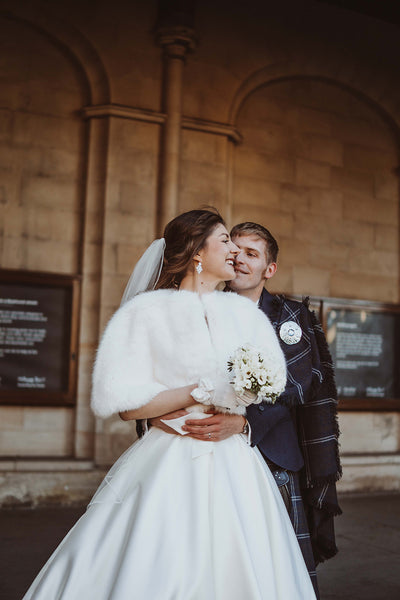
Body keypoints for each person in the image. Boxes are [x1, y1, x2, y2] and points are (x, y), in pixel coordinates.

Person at [23, 210, 316, 600]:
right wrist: (199, 391)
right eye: (226, 240)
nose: (234, 251)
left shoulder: (244, 314)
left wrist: (241, 406)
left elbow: (272, 385)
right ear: (197, 252)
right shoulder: (147, 314)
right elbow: (127, 405)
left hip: (235, 464)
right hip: (171, 459)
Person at [146, 222, 342, 600]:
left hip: (273, 458)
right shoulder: (200, 304)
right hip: (201, 457)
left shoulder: (288, 316)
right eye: (233, 249)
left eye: (252, 254)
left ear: (269, 269)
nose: (238, 258)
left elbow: (297, 383)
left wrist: (244, 422)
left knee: (276, 566)